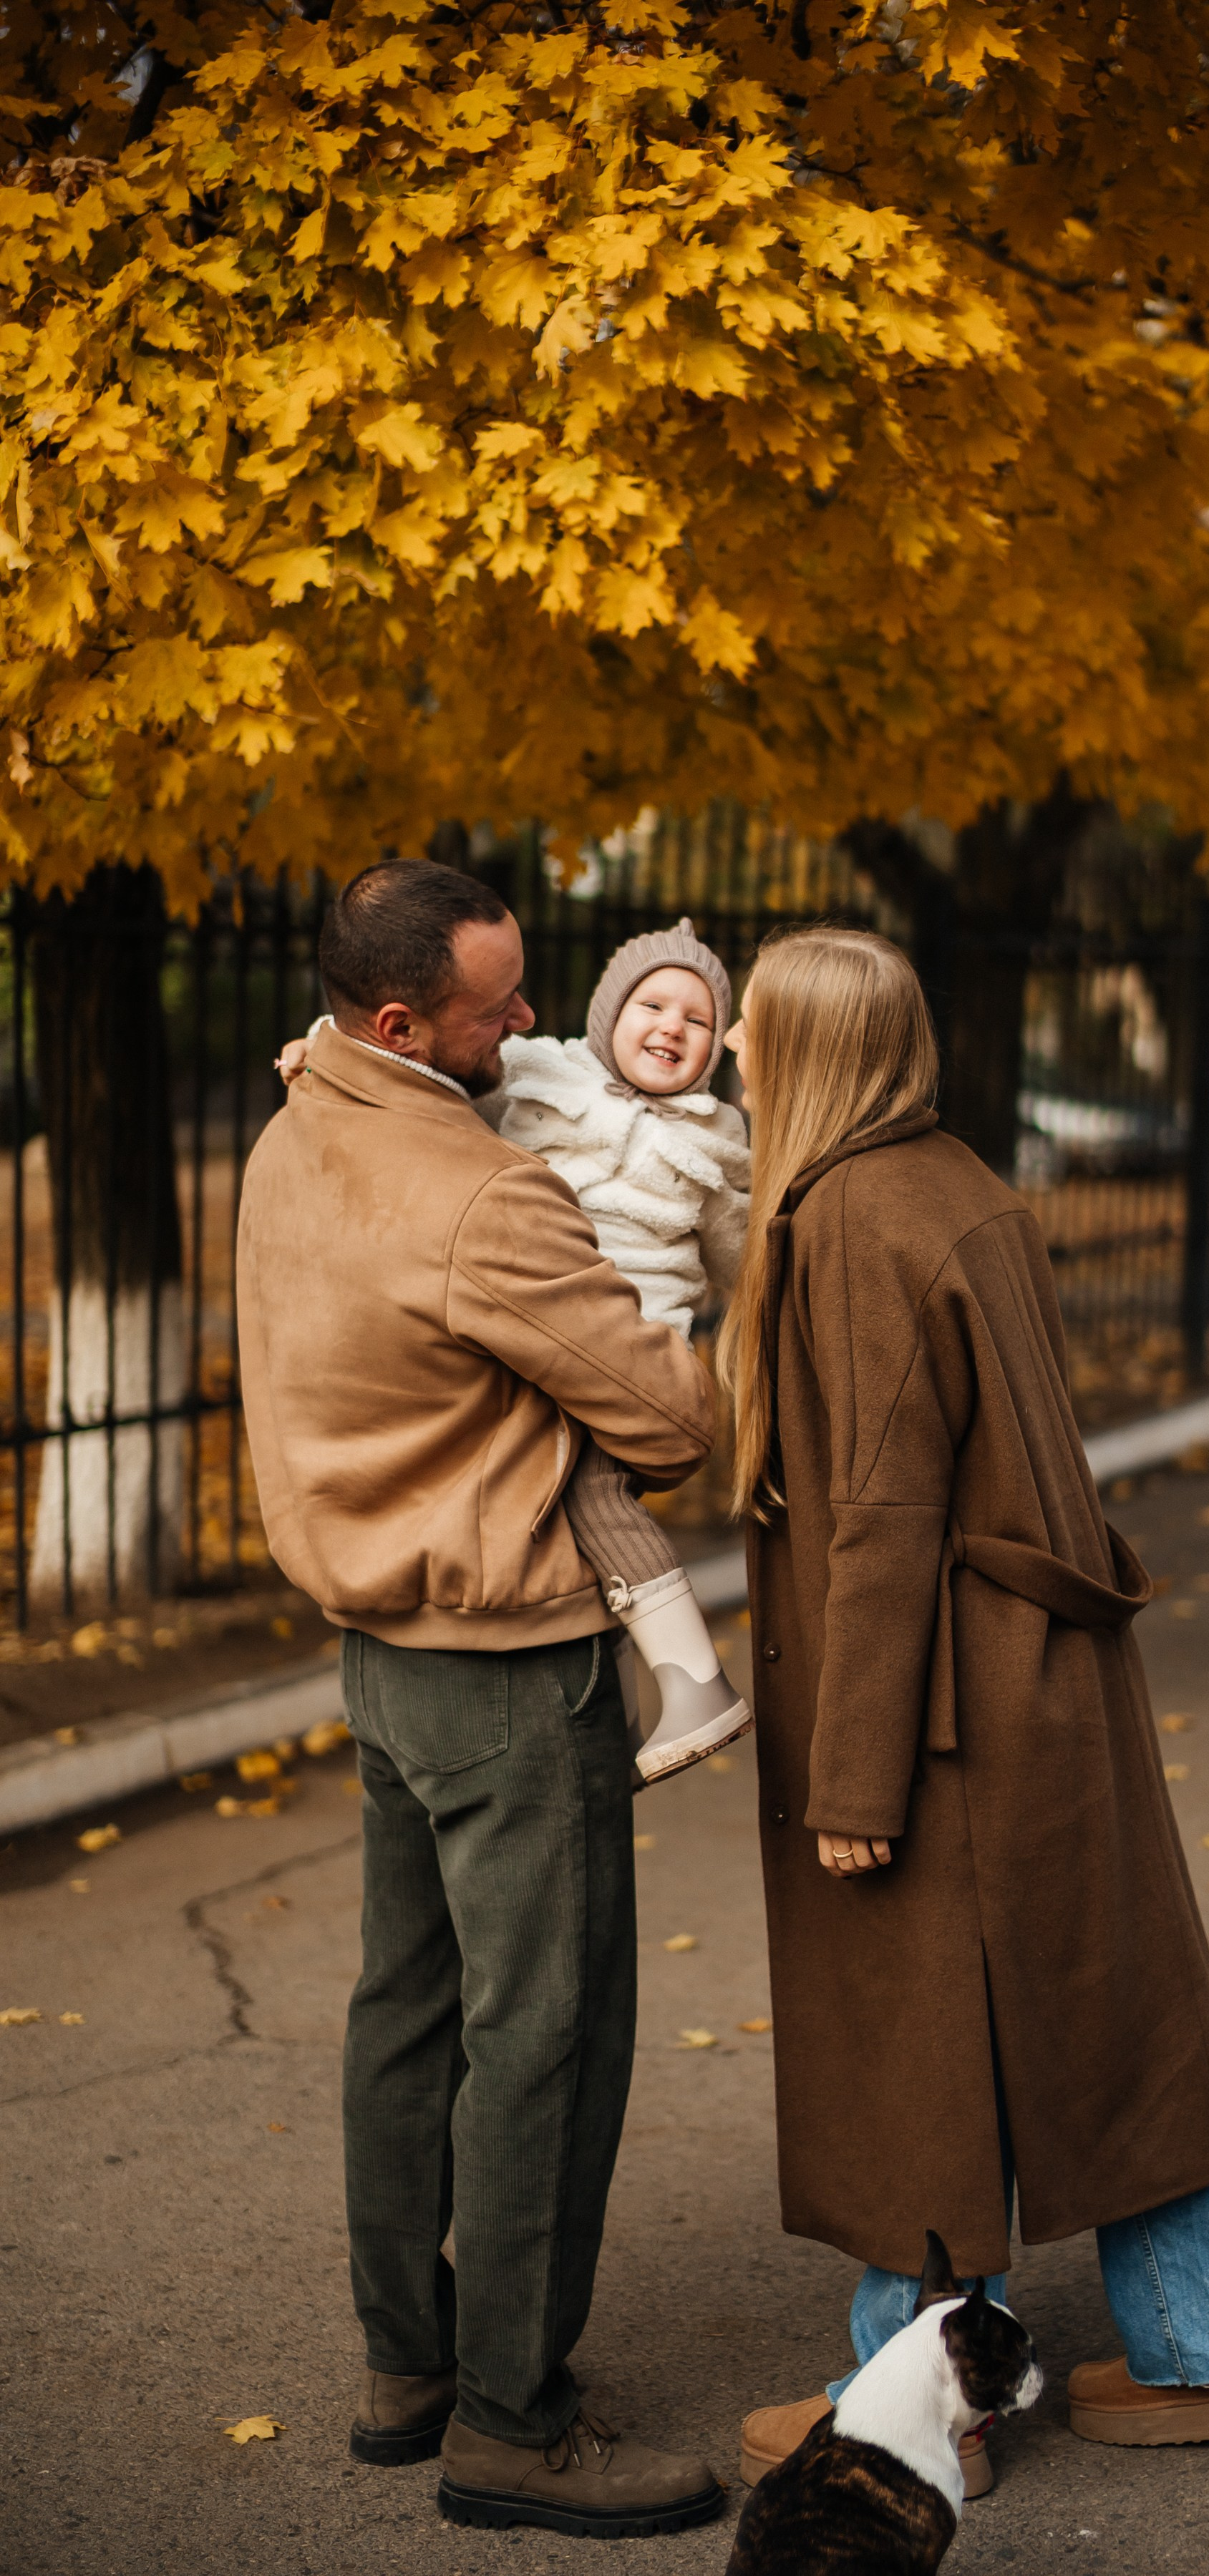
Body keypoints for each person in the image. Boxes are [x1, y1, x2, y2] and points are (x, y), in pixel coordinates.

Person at [715, 925, 1209, 2498]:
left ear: (811, 1055)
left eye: (750, 1033)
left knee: (913, 2054)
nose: (726, 1054)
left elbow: (883, 1515)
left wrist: (855, 1779)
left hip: (942, 1708)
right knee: (1121, 2027)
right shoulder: (954, 1179)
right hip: (1037, 1681)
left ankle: (906, 2416)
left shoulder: (846, 1216)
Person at [235, 860, 725, 2542]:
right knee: (548, 2035)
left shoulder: (295, 1126)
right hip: (513, 1655)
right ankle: (514, 2420)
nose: (526, 1020)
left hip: (377, 1650)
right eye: (492, 1004)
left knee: (407, 2008)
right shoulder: (489, 1200)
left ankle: (407, 2369)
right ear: (397, 1021)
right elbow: (663, 1426)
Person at [281, 912, 752, 1787]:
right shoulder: (545, 1070)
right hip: (522, 1321)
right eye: (653, 1005)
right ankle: (636, 1691)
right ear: (609, 1015)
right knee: (548, 1498)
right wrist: (319, 1049)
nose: (673, 1029)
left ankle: (698, 1685)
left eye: (697, 1022)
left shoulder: (713, 1138)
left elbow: (741, 1256)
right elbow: (412, 1081)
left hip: (629, 1343)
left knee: (596, 1492)